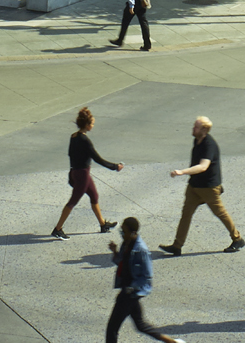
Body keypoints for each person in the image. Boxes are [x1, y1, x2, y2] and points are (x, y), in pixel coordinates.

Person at [160, 116, 243, 255]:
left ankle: (237, 239)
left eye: (196, 126)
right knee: (186, 214)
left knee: (220, 213)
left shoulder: (209, 145)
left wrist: (182, 172)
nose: (193, 128)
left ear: (204, 129)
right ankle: (177, 245)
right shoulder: (197, 140)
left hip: (208, 187)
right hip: (194, 185)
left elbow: (203, 166)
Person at [52, 106, 124, 240]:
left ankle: (103, 224)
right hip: (82, 175)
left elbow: (70, 155)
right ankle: (58, 229)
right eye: (92, 124)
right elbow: (97, 158)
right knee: (73, 201)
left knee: (94, 196)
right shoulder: (85, 140)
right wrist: (115, 167)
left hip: (77, 172)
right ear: (86, 125)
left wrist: (72, 172)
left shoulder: (73, 136)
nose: (93, 126)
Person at [105, 217, 178, 343]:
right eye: (121, 231)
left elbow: (147, 276)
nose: (122, 234)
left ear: (133, 232)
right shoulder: (126, 243)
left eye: (124, 231)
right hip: (129, 291)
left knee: (112, 329)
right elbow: (122, 263)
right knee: (141, 325)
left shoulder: (141, 250)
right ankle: (172, 342)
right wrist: (115, 252)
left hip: (130, 293)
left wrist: (132, 288)